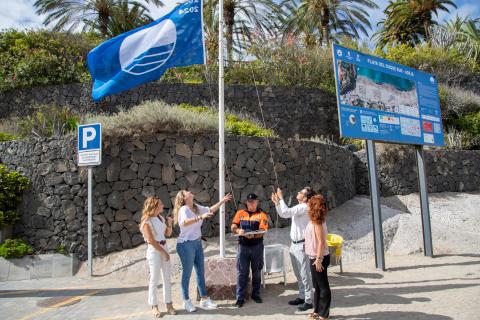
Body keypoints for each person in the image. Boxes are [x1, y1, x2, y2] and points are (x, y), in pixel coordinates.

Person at [173, 190, 233, 312]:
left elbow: (210, 210)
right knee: (187, 274)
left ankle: (204, 299)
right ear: (184, 198)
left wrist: (222, 201)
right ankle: (186, 301)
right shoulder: (184, 209)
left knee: (200, 272)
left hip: (196, 243)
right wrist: (200, 217)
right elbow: (183, 222)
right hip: (185, 245)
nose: (190, 192)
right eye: (187, 192)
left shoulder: (195, 207)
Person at [271, 187, 315, 311]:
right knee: (298, 273)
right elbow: (283, 213)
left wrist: (280, 198)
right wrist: (277, 203)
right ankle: (302, 296)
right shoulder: (300, 207)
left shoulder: (304, 206)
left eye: (300, 192)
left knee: (304, 274)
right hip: (294, 244)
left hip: (302, 245)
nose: (297, 193)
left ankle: (308, 300)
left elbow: (287, 212)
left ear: (306, 198)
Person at [139, 197, 176, 318]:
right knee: (154, 280)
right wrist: (164, 253)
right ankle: (154, 306)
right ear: (154, 206)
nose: (163, 205)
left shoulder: (160, 218)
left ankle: (169, 304)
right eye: (160, 204)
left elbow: (168, 234)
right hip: (154, 251)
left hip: (163, 247)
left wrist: (169, 223)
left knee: (167, 279)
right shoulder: (146, 221)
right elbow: (151, 240)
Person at [231, 193, 269, 308]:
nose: (251, 204)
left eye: (253, 202)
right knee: (242, 272)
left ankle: (255, 294)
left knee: (256, 271)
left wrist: (253, 236)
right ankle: (240, 298)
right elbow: (233, 226)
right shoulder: (240, 213)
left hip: (256, 246)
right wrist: (238, 231)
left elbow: (263, 231)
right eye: (249, 202)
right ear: (246, 202)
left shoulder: (262, 214)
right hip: (243, 246)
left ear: (257, 202)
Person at [305, 195, 331, 320]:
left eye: (310, 205)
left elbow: (321, 242)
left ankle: (324, 315)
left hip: (319, 258)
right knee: (317, 287)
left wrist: (319, 260)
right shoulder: (313, 221)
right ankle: (317, 311)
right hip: (313, 257)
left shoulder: (318, 223)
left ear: (314, 207)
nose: (308, 207)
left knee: (323, 287)